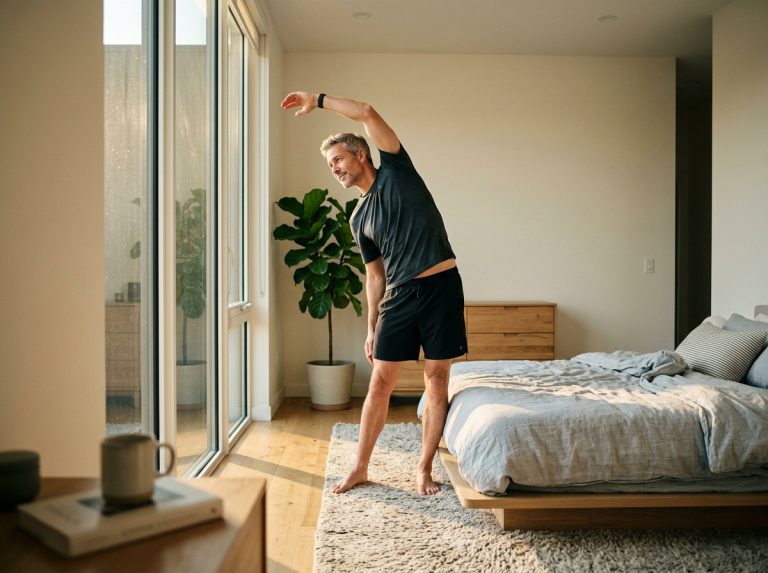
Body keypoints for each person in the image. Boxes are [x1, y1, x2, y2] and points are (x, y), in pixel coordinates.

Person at [281, 91, 467, 496]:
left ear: (361, 154)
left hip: (441, 288)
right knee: (380, 383)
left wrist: (318, 99)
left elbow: (366, 111)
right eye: (330, 166)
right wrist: (371, 326)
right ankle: (360, 467)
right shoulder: (357, 218)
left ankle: (423, 470)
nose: (335, 170)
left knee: (437, 380)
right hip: (399, 297)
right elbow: (374, 277)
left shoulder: (399, 171)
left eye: (339, 160)